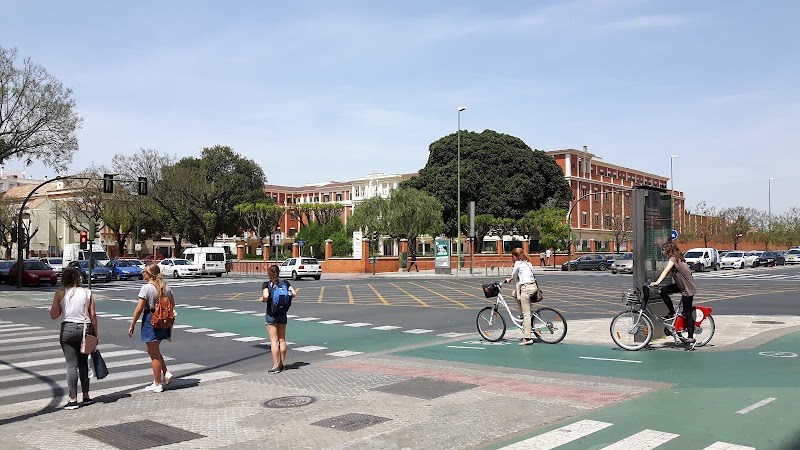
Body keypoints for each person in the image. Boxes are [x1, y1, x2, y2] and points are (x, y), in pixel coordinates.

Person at [49, 267, 98, 410]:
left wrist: (59, 304)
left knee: (71, 364)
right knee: (84, 363)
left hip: (68, 328)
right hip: (85, 328)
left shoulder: (60, 293)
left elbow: (54, 315)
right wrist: (96, 334)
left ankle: (73, 400)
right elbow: (93, 315)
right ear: (78, 278)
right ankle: (87, 396)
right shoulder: (87, 292)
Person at [129, 263, 174, 392]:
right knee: (154, 350)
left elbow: (139, 308)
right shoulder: (165, 286)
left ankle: (157, 383)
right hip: (164, 321)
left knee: (153, 354)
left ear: (149, 274)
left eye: (144, 272)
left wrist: (132, 324)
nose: (142, 273)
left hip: (151, 319)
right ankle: (165, 372)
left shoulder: (146, 288)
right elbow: (173, 304)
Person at [649, 241, 698, 350]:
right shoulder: (677, 257)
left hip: (687, 289)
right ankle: (671, 313)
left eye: (663, 249)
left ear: (668, 250)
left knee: (687, 313)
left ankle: (690, 339)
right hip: (681, 286)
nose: (662, 252)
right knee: (663, 291)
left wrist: (657, 282)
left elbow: (666, 271)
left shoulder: (674, 259)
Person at [262, 264, 297, 373]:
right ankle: (282, 363)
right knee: (282, 340)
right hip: (282, 313)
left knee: (274, 341)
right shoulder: (285, 283)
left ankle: (275, 365)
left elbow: (266, 296)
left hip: (271, 314)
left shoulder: (266, 284)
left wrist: (263, 299)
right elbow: (294, 293)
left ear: (269, 274)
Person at [505, 248, 539, 346]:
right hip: (533, 287)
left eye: (512, 256)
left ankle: (527, 338)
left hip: (526, 289)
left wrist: (509, 279)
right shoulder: (528, 263)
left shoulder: (518, 263)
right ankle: (522, 313)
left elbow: (514, 275)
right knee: (514, 293)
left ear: (515, 256)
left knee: (527, 315)